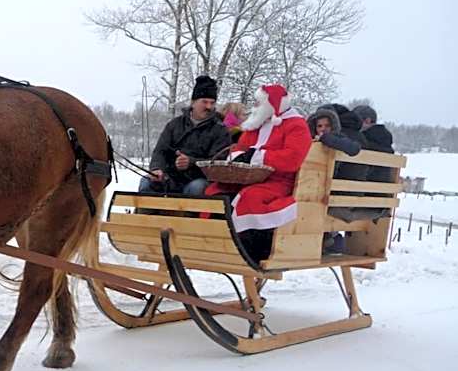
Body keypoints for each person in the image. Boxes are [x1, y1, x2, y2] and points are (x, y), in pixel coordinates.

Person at [205, 84, 312, 261]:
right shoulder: (257, 122)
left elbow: (293, 158)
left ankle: (251, 250)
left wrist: (259, 156)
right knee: (214, 191)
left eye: (258, 102)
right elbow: (241, 148)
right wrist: (239, 157)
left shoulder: (296, 125)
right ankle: (214, 242)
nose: (254, 106)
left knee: (250, 197)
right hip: (248, 176)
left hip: (279, 181)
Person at [138, 75, 231, 196]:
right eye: (204, 102)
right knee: (146, 182)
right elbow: (160, 151)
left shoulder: (220, 130)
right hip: (169, 178)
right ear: (193, 102)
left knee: (197, 188)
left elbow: (218, 163)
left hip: (198, 180)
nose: (209, 107)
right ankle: (144, 215)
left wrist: (191, 162)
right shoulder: (174, 125)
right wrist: (157, 169)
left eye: (212, 103)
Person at [307, 106, 362, 254]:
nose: (323, 129)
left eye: (327, 126)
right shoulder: (309, 140)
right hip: (309, 183)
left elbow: (354, 148)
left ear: (333, 126)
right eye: (319, 126)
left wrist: (326, 138)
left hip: (327, 187)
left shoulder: (336, 138)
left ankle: (331, 240)